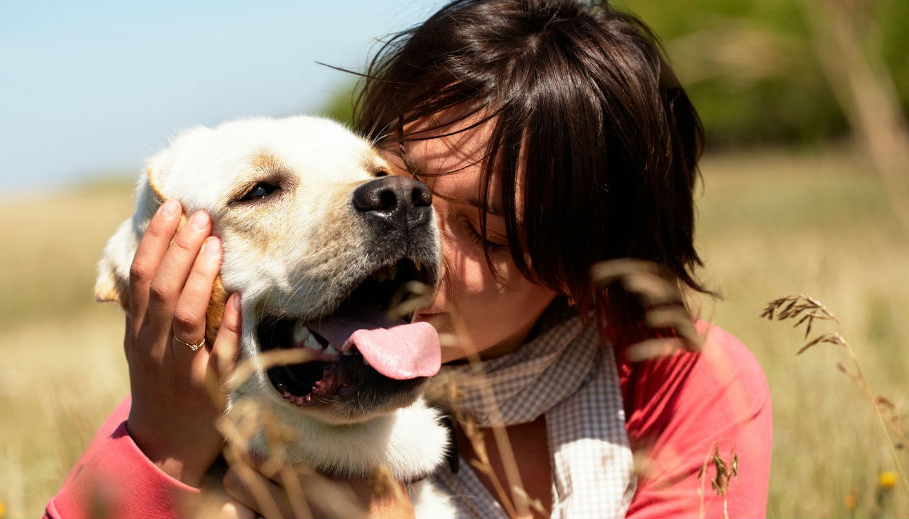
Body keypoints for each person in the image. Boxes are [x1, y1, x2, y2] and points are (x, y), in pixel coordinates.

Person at [45, 1, 771, 517]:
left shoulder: (677, 383)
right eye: (398, 187)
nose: (411, 245)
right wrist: (166, 444)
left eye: (487, 235)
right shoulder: (241, 383)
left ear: (586, 272)